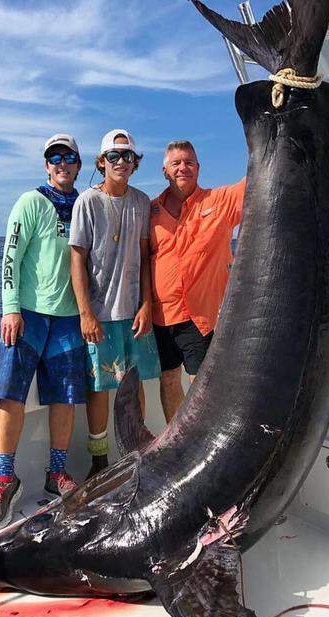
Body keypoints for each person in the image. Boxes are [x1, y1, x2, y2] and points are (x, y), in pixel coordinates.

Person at [0, 133, 86, 531]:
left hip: (68, 318)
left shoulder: (85, 206)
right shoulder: (30, 202)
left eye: (69, 157)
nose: (62, 163)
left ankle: (55, 472)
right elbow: (10, 257)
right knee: (11, 394)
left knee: (65, 397)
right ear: (47, 166)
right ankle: (5, 478)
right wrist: (10, 309)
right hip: (26, 316)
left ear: (78, 164)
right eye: (54, 158)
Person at [69, 129, 161, 479]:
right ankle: (99, 459)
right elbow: (77, 258)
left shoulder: (141, 201)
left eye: (127, 156)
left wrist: (146, 304)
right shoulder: (87, 202)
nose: (120, 162)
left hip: (135, 313)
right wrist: (86, 313)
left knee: (134, 384)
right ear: (101, 162)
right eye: (114, 156)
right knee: (100, 388)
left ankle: (137, 450)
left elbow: (144, 256)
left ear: (136, 163)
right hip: (100, 315)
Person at [149, 140, 246, 422]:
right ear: (165, 170)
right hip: (160, 316)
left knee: (202, 385)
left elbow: (258, 179)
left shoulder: (221, 200)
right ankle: (174, 438)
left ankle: (203, 441)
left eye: (189, 162)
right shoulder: (150, 210)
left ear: (199, 168)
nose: (183, 168)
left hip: (200, 315)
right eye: (176, 163)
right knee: (168, 379)